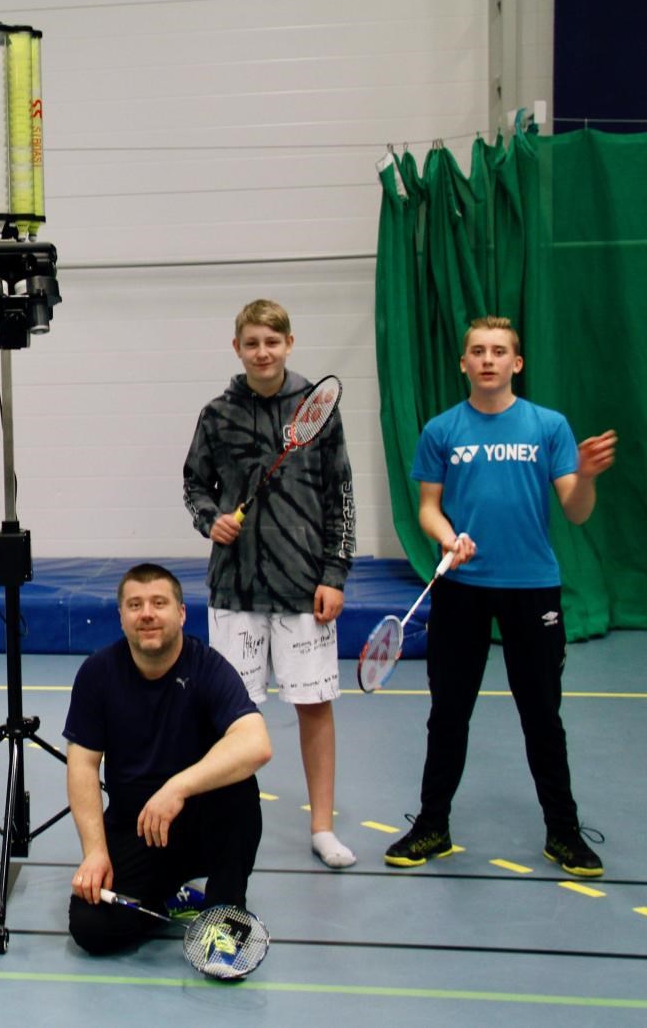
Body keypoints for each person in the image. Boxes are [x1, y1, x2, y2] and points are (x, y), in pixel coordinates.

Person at [384, 316, 616, 876]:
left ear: (517, 363)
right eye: (478, 351)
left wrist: (585, 476)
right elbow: (428, 508)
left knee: (542, 717)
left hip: (532, 589)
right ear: (463, 362)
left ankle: (563, 832)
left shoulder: (548, 426)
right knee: (448, 714)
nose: (487, 359)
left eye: (498, 351)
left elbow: (576, 511)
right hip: (461, 590)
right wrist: (447, 538)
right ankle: (432, 825)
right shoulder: (441, 430)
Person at [182, 299, 357, 869]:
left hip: (305, 588)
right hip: (235, 590)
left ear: (289, 343)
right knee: (229, 714)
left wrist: (334, 574)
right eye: (252, 343)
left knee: (314, 707)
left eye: (272, 342)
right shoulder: (217, 414)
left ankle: (322, 827)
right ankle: (226, 825)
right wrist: (211, 519)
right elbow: (194, 485)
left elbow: (341, 496)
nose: (263, 352)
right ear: (238, 348)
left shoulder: (317, 410)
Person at [65, 563, 270, 955]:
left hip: (202, 823)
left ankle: (225, 908)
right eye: (135, 605)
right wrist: (94, 853)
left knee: (240, 785)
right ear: (122, 617)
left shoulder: (208, 666)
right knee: (91, 928)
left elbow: (256, 743)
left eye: (159, 603)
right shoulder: (97, 673)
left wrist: (178, 787)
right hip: (139, 827)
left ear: (181, 613)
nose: (147, 614)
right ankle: (166, 898)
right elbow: (83, 765)